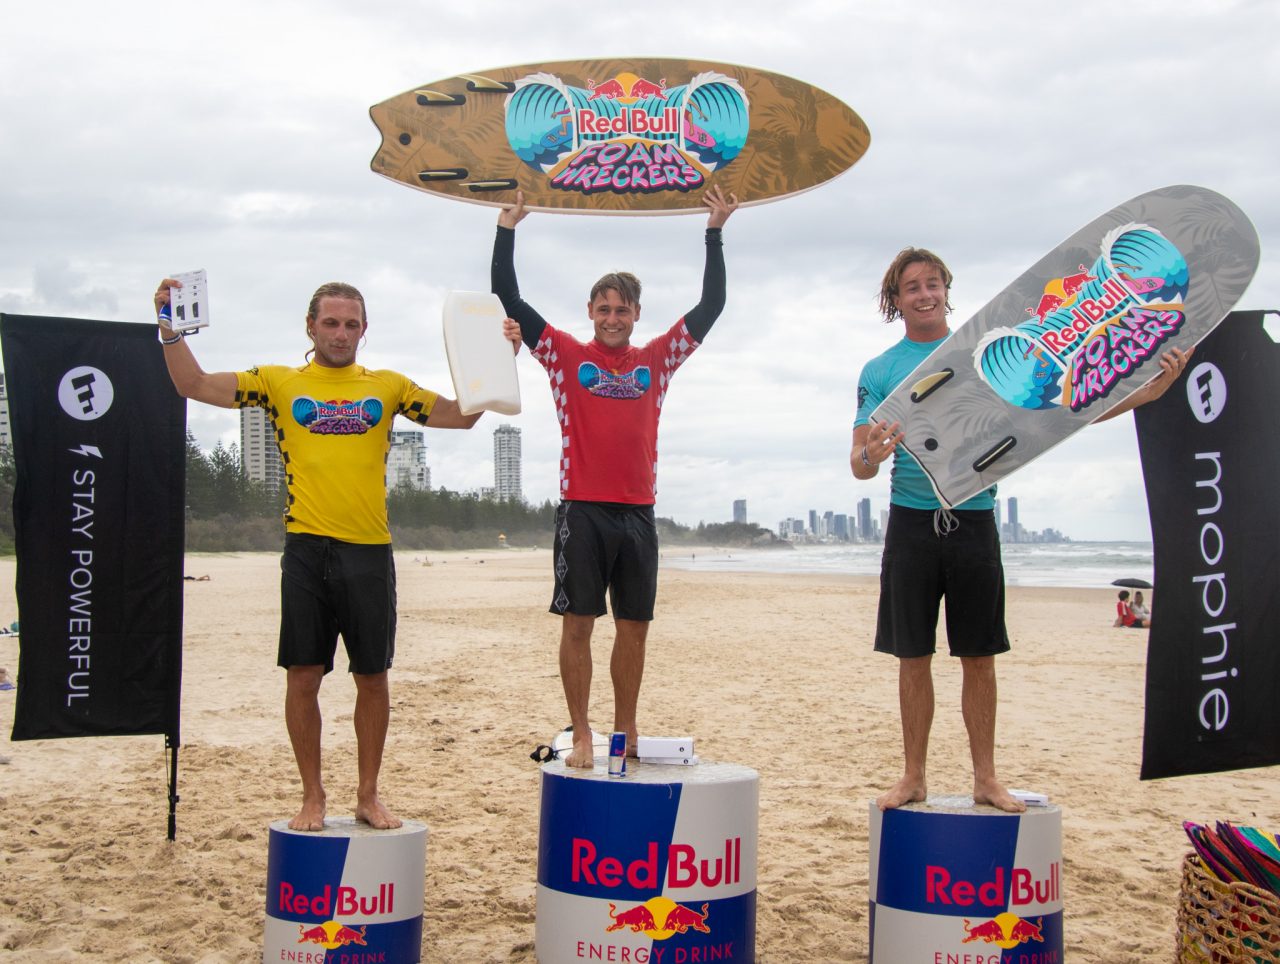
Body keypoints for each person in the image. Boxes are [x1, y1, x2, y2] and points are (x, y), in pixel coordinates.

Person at [153, 278, 514, 830]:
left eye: (351, 324)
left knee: (372, 677)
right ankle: (312, 796)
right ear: (310, 326)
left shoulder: (389, 386)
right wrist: (168, 325)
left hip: (369, 553)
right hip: (306, 550)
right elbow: (194, 384)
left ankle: (368, 795)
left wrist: (498, 358)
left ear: (364, 330)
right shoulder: (277, 382)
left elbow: (460, 417)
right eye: (331, 323)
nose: (341, 333)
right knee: (303, 676)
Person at [851, 247, 1189, 812]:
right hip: (911, 523)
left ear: (946, 289)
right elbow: (859, 461)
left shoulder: (986, 351)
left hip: (975, 520)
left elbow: (1063, 406)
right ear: (896, 300)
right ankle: (913, 776)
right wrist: (874, 455)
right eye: (913, 287)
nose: (926, 294)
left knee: (978, 656)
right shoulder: (881, 370)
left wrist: (1146, 393)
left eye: (934, 283)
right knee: (913, 656)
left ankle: (986, 778)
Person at [492, 185, 739, 768]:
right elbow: (509, 295)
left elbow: (712, 306)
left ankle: (623, 733)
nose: (611, 318)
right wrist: (508, 227)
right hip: (582, 509)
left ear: (635, 315)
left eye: (621, 309)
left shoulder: (657, 359)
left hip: (637, 513)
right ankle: (582, 732)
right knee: (579, 625)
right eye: (602, 309)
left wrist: (714, 231)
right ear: (590, 313)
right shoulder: (561, 355)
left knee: (634, 629)